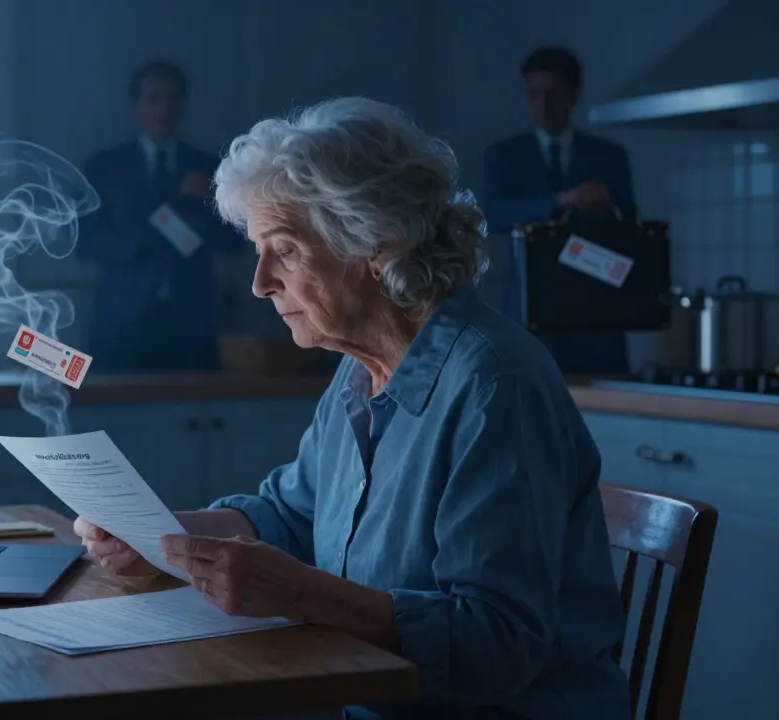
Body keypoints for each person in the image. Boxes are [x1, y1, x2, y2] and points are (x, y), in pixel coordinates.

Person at [74, 98, 629, 719]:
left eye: (283, 250)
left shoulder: (495, 385)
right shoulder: (359, 369)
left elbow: (496, 644)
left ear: (375, 244)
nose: (259, 283)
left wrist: (307, 594)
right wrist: (162, 536)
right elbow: (293, 514)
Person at [75, 59, 240, 373]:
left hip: (191, 322)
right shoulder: (106, 168)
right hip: (122, 320)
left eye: (173, 99)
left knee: (192, 413)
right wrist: (142, 239)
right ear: (136, 106)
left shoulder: (209, 167)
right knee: (116, 413)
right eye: (153, 99)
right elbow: (83, 240)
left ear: (184, 105)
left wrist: (215, 201)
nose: (164, 110)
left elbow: (236, 242)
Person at [484, 46, 637, 375]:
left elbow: (632, 227)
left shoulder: (609, 157)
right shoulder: (504, 156)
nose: (542, 105)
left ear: (573, 95)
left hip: (597, 318)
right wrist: (558, 201)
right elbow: (494, 216)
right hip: (529, 315)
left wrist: (606, 205)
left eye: (552, 94)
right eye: (533, 94)